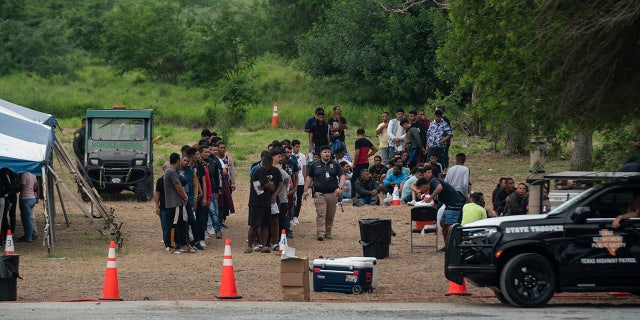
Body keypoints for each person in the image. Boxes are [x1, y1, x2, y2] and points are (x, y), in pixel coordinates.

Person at [303, 145, 346, 241]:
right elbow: (309, 177)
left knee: (330, 214)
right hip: (319, 193)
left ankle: (328, 232)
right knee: (321, 213)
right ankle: (320, 233)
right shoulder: (315, 165)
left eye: (328, 152)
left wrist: (340, 187)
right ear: (321, 154)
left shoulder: (335, 164)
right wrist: (305, 190)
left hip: (332, 194)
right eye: (325, 152)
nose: (327, 153)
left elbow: (342, 176)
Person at [247, 151, 282, 253]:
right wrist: (267, 185)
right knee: (254, 225)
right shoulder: (258, 171)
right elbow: (258, 188)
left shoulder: (274, 171)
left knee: (265, 224)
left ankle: (264, 245)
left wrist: (271, 190)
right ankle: (249, 246)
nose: (266, 165)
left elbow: (275, 185)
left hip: (267, 201)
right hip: (256, 202)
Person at [425, 177, 466, 251]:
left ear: (423, 186)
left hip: (455, 203)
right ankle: (447, 246)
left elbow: (440, 187)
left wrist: (430, 198)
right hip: (448, 204)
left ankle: (454, 247)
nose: (419, 191)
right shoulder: (431, 189)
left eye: (419, 189)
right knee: (443, 224)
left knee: (451, 226)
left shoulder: (433, 181)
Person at [164, 153, 191, 254]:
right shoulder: (172, 172)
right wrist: (185, 196)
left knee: (180, 224)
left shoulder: (168, 171)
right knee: (173, 225)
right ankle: (171, 246)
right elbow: (178, 187)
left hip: (174, 203)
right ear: (178, 161)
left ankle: (183, 245)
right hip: (174, 203)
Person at [352, 128, 377, 198]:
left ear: (357, 134)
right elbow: (375, 149)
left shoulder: (358, 142)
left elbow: (357, 154)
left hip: (359, 163)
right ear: (364, 134)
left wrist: (354, 163)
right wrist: (367, 155)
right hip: (366, 162)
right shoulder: (367, 141)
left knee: (354, 179)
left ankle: (353, 195)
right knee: (365, 178)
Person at [155, 162, 171, 251]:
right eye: (167, 169)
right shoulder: (160, 181)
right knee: (165, 226)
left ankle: (173, 243)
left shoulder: (174, 180)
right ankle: (167, 243)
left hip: (172, 207)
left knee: (172, 226)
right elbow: (157, 193)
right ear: (163, 170)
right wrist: (157, 206)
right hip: (163, 207)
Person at [17, 171, 37, 243]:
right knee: (29, 218)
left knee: (26, 219)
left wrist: (17, 187)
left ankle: (28, 237)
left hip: (25, 198)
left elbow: (23, 188)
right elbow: (35, 186)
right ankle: (29, 235)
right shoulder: (33, 174)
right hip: (32, 198)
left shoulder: (24, 175)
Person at [291, 140, 306, 226]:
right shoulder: (290, 156)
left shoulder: (302, 156)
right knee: (292, 198)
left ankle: (296, 215)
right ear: (292, 147)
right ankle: (291, 215)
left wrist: (305, 180)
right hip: (293, 180)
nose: (297, 148)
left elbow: (304, 169)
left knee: (299, 199)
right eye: (296, 146)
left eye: (298, 146)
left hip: (300, 180)